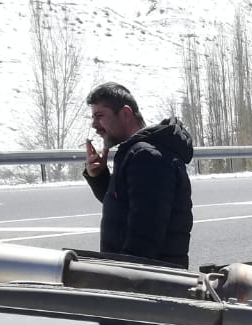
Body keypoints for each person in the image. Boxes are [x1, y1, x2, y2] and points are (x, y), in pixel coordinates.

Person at [83, 83, 194, 267]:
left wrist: (118, 276)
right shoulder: (138, 153)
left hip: (150, 279)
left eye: (99, 115)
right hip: (146, 277)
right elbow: (127, 208)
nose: (94, 125)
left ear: (126, 114)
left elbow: (145, 238)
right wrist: (99, 177)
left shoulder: (147, 157)